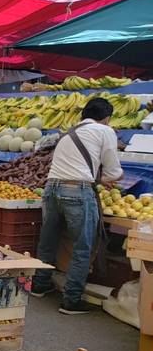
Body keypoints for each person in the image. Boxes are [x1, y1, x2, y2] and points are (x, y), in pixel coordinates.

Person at [31, 97, 123, 315]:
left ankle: (39, 284)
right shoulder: (104, 131)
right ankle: (71, 300)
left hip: (51, 189)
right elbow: (113, 171)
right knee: (83, 247)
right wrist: (114, 176)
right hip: (77, 192)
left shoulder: (69, 132)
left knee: (48, 241)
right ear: (107, 118)